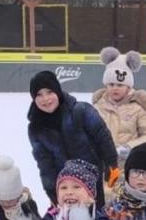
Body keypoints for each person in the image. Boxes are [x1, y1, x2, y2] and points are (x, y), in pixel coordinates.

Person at [27, 71, 117, 207]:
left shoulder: (80, 110)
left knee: (97, 214)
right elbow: (45, 164)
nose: (45, 99)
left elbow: (102, 137)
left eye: (49, 92)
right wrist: (52, 193)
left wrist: (111, 163)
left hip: (93, 179)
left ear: (57, 91)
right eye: (39, 95)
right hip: (66, 187)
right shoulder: (36, 128)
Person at [92, 47, 146, 160]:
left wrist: (129, 147)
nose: (115, 88)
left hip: (130, 163)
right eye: (111, 84)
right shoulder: (98, 106)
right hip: (103, 163)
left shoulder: (138, 107)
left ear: (128, 87)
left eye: (120, 85)